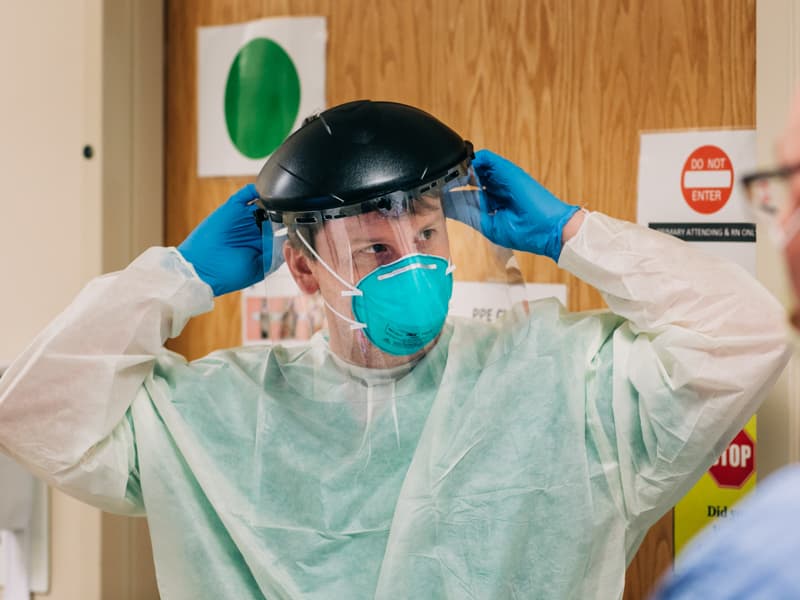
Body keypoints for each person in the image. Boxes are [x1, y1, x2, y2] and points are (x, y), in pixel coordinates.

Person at [0, 100, 790, 599]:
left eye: (426, 233)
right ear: (304, 271)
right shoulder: (218, 415)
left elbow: (743, 339)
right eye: (374, 251)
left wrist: (569, 232)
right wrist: (177, 279)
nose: (413, 263)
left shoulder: (555, 382)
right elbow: (32, 412)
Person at [652, 91, 800, 599]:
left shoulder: (760, 564)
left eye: (792, 191)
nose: (781, 223)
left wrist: (570, 233)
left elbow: (748, 331)